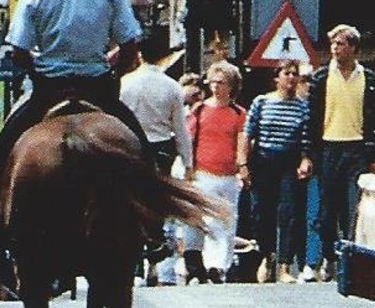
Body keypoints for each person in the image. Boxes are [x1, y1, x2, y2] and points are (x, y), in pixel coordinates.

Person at [0, 0, 149, 289]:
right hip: (97, 88)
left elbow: (19, 51)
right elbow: (130, 44)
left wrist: (42, 67)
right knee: (139, 147)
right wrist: (110, 69)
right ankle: (149, 229)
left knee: (1, 153)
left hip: (48, 91)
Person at [299, 24, 375, 283]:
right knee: (326, 212)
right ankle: (329, 255)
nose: (335, 49)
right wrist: (307, 155)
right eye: (333, 44)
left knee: (353, 209)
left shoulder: (367, 78)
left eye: (341, 44)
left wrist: (374, 158)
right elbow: (311, 120)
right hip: (329, 148)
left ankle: (349, 262)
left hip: (356, 148)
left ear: (354, 48)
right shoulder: (322, 77)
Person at [121, 36, 194, 262]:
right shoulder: (172, 87)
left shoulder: (125, 83)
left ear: (139, 55)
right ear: (164, 57)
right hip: (161, 149)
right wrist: (188, 162)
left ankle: (132, 258)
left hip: (130, 147)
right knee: (156, 202)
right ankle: (154, 247)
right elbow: (180, 129)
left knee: (129, 200)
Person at [242, 60, 310, 282]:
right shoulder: (262, 102)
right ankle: (266, 255)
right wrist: (242, 164)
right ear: (277, 77)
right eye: (286, 73)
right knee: (261, 212)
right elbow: (248, 133)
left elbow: (305, 139)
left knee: (289, 213)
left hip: (288, 162)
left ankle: (285, 266)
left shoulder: (303, 106)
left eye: (295, 74)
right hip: (263, 161)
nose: (291, 78)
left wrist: (304, 160)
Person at [180, 60, 247, 284]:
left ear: (232, 86)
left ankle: (218, 266)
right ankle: (197, 264)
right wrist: (188, 168)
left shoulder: (238, 113)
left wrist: (242, 166)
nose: (216, 86)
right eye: (213, 82)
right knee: (200, 220)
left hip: (227, 176)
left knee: (225, 223)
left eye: (222, 82)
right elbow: (188, 140)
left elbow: (241, 141)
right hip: (203, 174)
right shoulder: (199, 111)